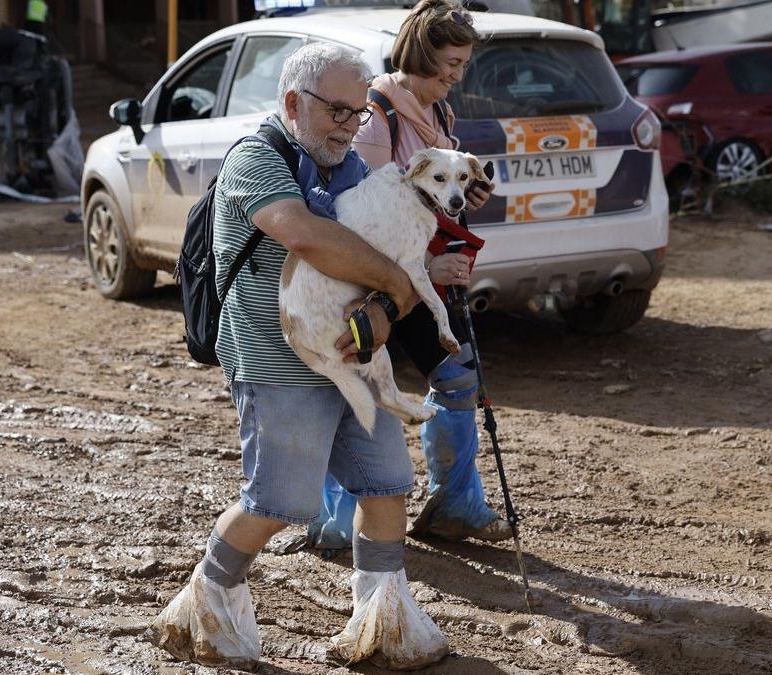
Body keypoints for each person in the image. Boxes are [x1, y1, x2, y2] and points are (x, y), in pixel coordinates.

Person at [145, 43, 449, 670]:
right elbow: (304, 235)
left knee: (388, 484)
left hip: (350, 359)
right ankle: (203, 605)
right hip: (276, 362)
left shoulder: (349, 172)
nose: (349, 126)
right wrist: (396, 281)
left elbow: (379, 267)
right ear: (292, 102)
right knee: (279, 502)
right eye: (337, 112)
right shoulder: (256, 158)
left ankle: (383, 621)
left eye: (359, 114)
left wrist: (388, 308)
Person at [307, 0, 511, 551]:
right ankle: (336, 522)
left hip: (425, 277)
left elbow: (428, 204)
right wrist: (427, 265)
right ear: (420, 53)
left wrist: (466, 196)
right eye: (448, 62)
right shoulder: (381, 114)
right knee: (353, 389)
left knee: (458, 378)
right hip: (376, 283)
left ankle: (454, 506)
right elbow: (367, 221)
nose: (455, 75)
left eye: (463, 64)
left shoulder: (440, 115)